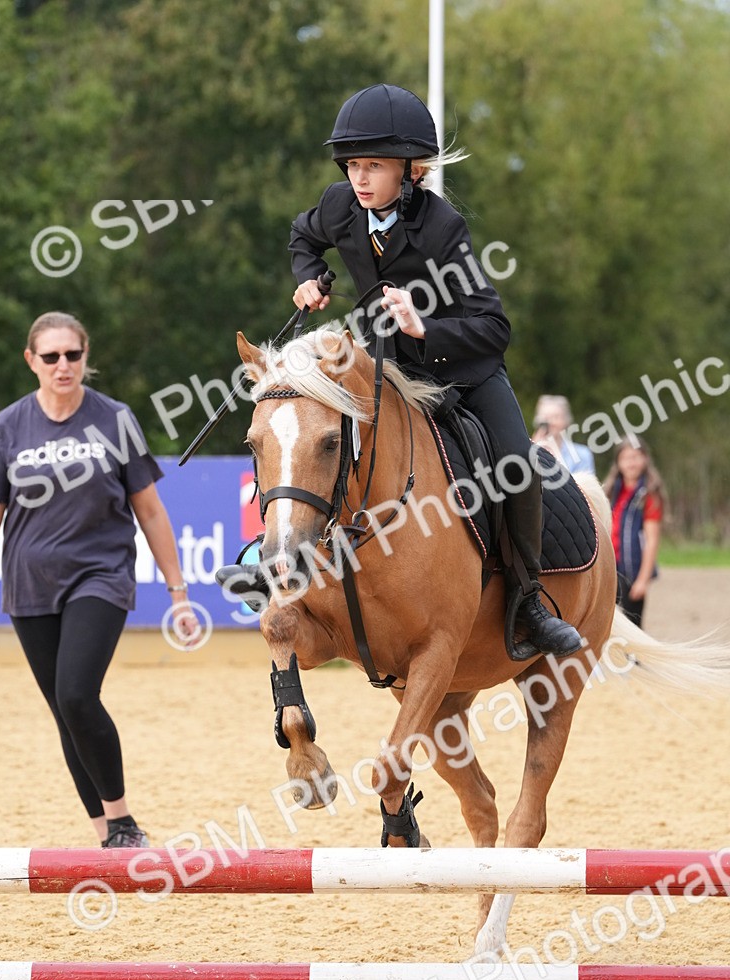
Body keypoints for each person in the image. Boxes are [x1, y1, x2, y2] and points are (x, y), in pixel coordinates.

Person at [218, 83, 582, 657]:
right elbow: (302, 234)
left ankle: (528, 600)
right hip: (384, 367)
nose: (360, 179)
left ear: (411, 171)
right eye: (353, 166)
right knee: (314, 437)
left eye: (375, 167)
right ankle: (280, 563)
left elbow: (494, 327)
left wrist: (423, 326)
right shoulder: (340, 205)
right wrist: (309, 276)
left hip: (462, 371)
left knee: (516, 463)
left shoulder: (442, 228)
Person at [0, 311, 199, 847]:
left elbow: (151, 511)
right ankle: (108, 837)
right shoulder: (9, 425)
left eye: (72, 354)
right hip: (29, 585)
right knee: (64, 712)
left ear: (85, 355)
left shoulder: (114, 419)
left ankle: (123, 821)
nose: (63, 365)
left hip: (101, 575)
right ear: (31, 361)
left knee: (75, 694)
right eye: (50, 356)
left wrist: (178, 594)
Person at [603, 437, 665, 628]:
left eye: (636, 457)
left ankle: (635, 651)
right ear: (618, 462)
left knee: (633, 626)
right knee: (607, 624)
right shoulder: (611, 491)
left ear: (645, 459)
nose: (631, 463)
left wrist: (643, 580)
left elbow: (651, 540)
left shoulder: (649, 494)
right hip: (610, 569)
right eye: (626, 458)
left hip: (632, 572)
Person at [531, 394, 595, 474]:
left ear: (566, 421)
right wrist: (533, 451)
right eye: (545, 418)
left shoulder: (582, 454)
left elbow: (583, 481)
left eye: (555, 417)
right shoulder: (528, 450)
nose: (550, 423)